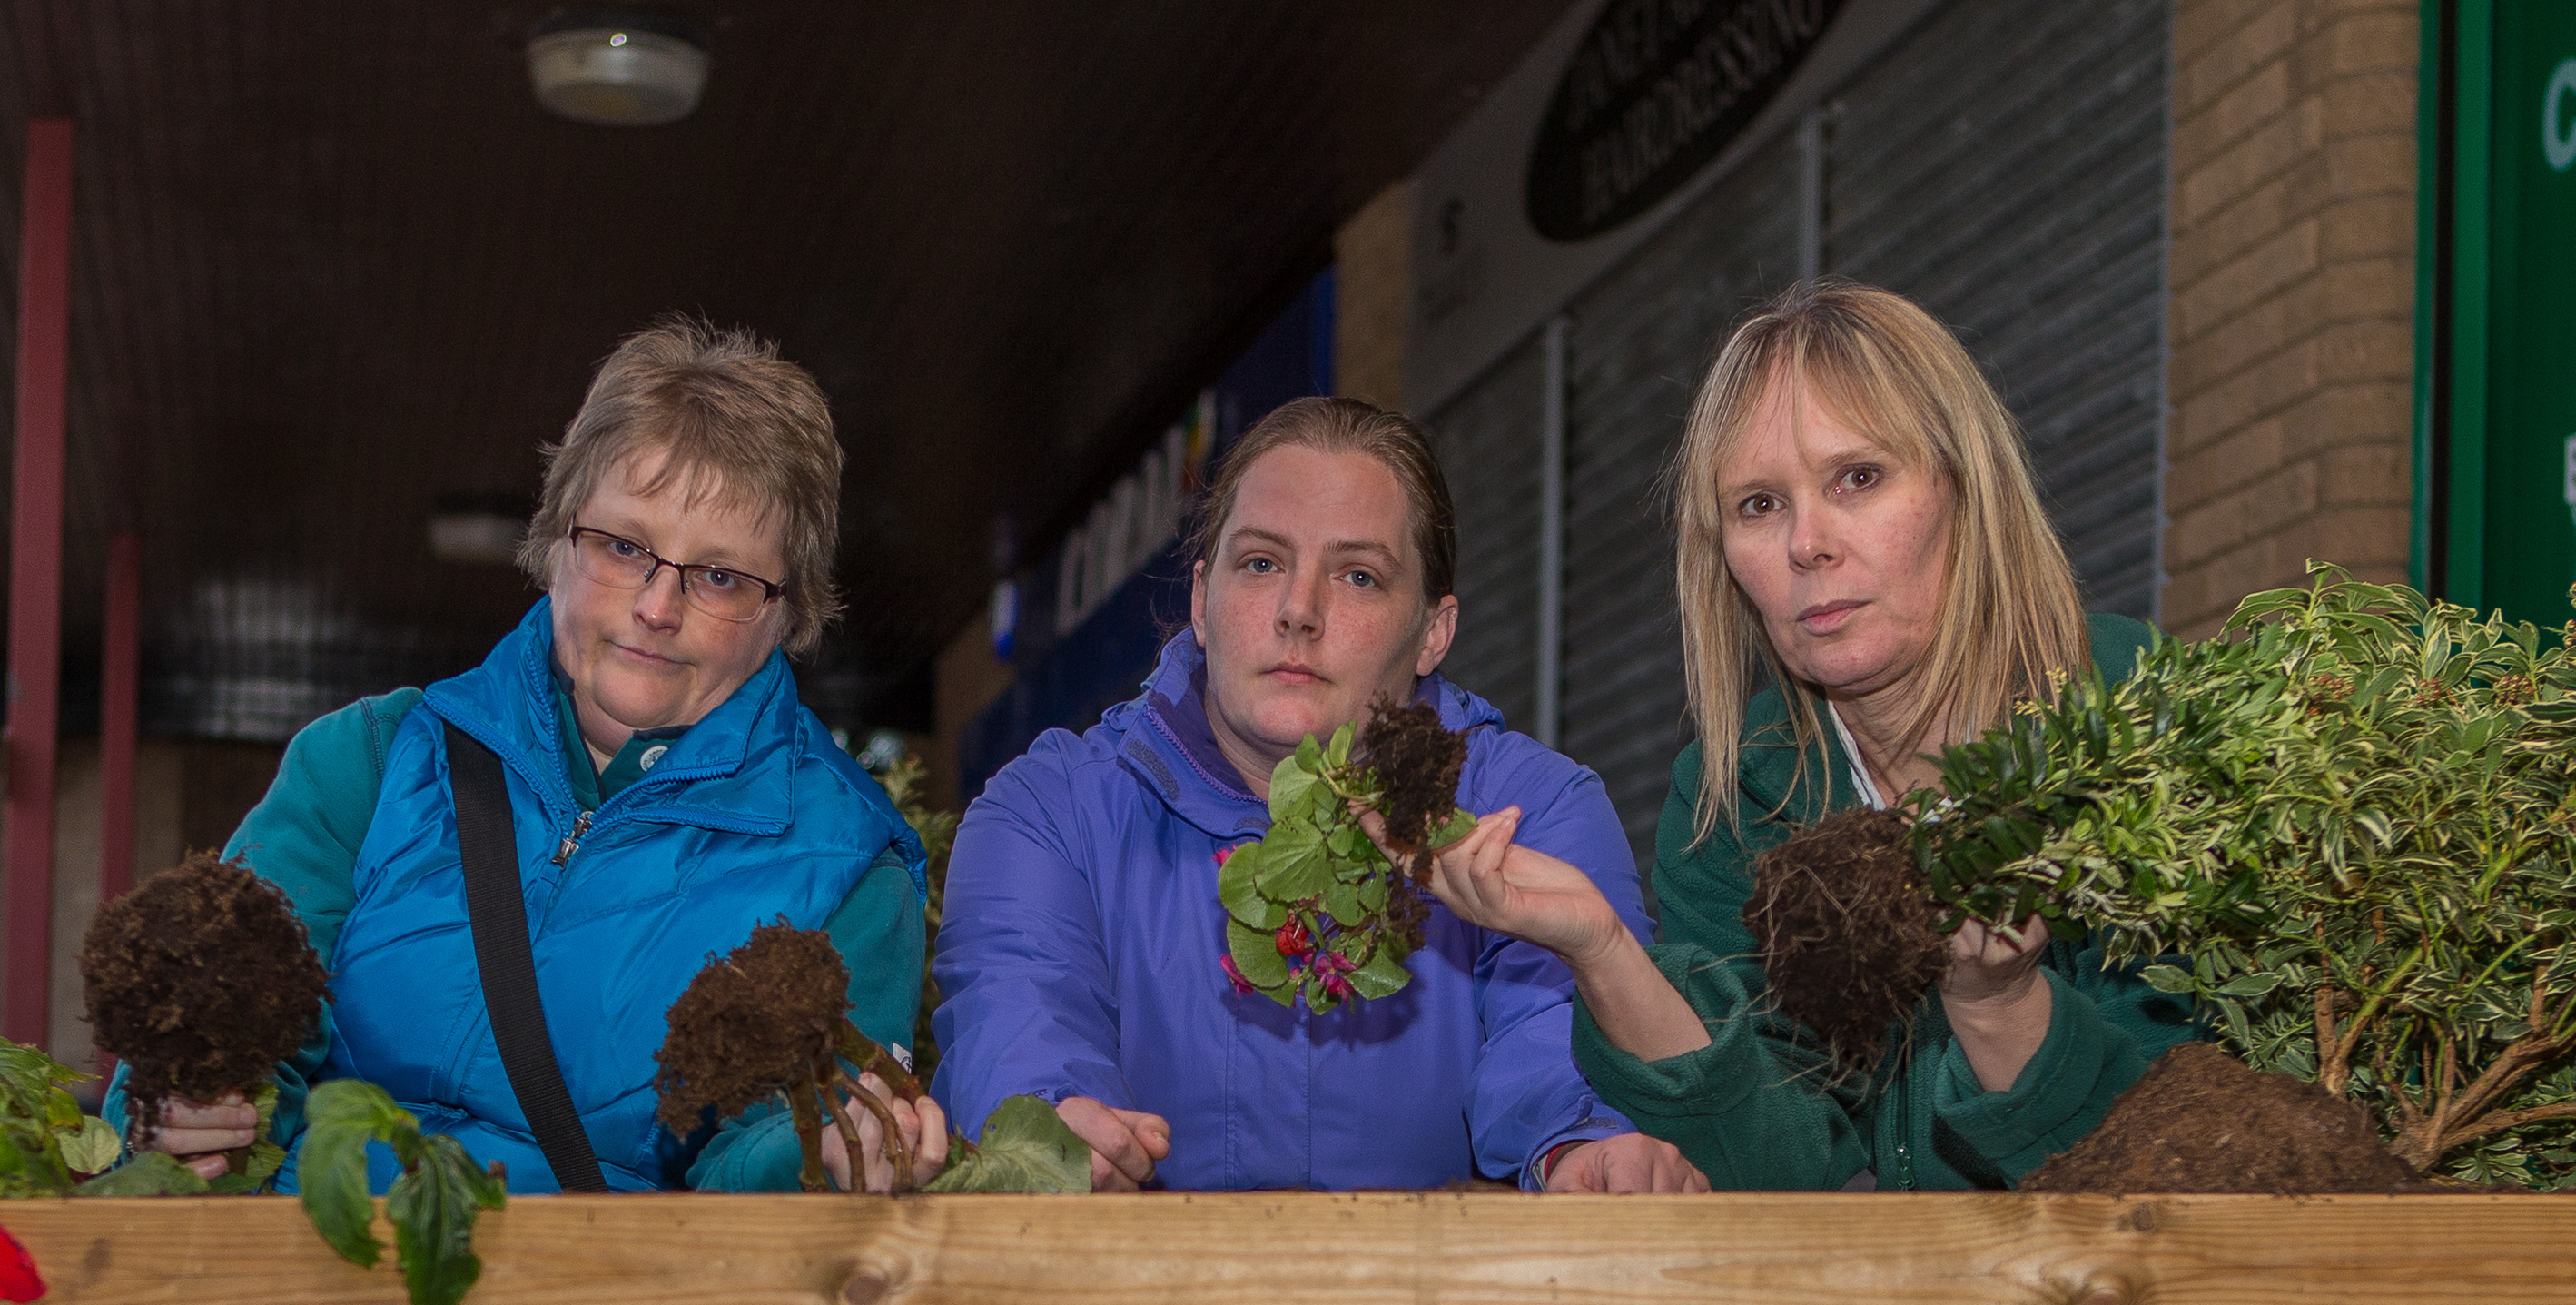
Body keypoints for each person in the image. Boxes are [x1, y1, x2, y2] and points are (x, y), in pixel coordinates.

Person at [119, 318, 943, 1191]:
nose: (658, 606)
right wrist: (186, 1109)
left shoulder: (852, 868)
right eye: (625, 547)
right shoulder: (365, 763)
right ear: (556, 541)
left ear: (791, 613)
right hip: (314, 1280)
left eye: (721, 577)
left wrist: (815, 1161)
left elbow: (773, 1170)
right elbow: (215, 1037)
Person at [1407, 281, 2194, 1190]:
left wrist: (2002, 1005)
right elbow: (1775, 1170)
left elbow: (2195, 1150)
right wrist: (1599, 947)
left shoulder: (2137, 722)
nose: (1806, 544)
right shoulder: (1734, 798)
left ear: (1965, 490)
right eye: (1759, 505)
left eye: (1858, 478)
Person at [932, 396, 1706, 1193]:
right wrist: (1056, 1127)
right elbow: (1019, 1020)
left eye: (1359, 576)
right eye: (1261, 563)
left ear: (1434, 632)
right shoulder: (1046, 813)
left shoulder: (1532, 811)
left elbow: (1558, 1045)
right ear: (1201, 601)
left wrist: (1584, 1148)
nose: (1299, 611)